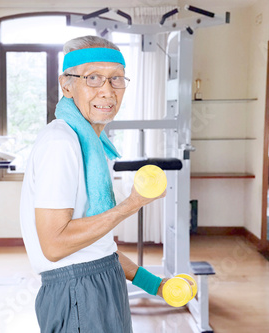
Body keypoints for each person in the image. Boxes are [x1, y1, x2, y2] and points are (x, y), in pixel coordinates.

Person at [20, 35, 168, 332]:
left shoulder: (90, 143)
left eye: (116, 79)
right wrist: (132, 204)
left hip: (101, 281)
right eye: (93, 78)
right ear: (67, 85)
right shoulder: (61, 143)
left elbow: (98, 249)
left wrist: (156, 285)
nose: (108, 91)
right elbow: (55, 244)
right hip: (77, 292)